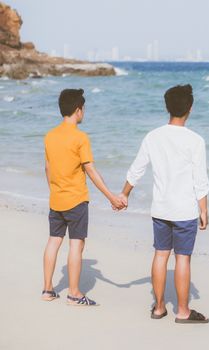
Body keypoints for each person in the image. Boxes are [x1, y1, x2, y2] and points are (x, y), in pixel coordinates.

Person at [120, 84, 209, 323]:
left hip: (161, 208)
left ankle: (159, 307)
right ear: (190, 108)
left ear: (167, 107)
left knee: (161, 255)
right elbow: (200, 180)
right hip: (185, 210)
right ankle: (183, 311)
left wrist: (124, 194)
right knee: (183, 258)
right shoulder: (195, 141)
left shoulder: (153, 136)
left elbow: (137, 169)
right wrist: (204, 209)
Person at [42, 88, 126, 306]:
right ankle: (74, 293)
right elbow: (90, 170)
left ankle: (48, 290)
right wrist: (111, 197)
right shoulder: (80, 137)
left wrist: (54, 191)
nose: (84, 112)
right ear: (78, 110)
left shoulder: (50, 136)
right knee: (76, 245)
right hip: (76, 200)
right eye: (84, 109)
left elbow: (48, 169)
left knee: (53, 241)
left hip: (56, 199)